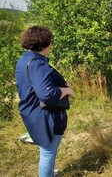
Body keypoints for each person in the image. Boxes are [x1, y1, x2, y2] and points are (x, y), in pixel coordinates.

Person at [15, 26, 74, 177]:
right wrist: (66, 91)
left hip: (32, 111)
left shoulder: (24, 59)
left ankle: (47, 172)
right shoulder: (38, 64)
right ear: (42, 45)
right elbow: (46, 94)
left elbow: (34, 85)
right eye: (50, 43)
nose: (51, 46)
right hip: (45, 115)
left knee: (45, 150)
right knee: (48, 152)